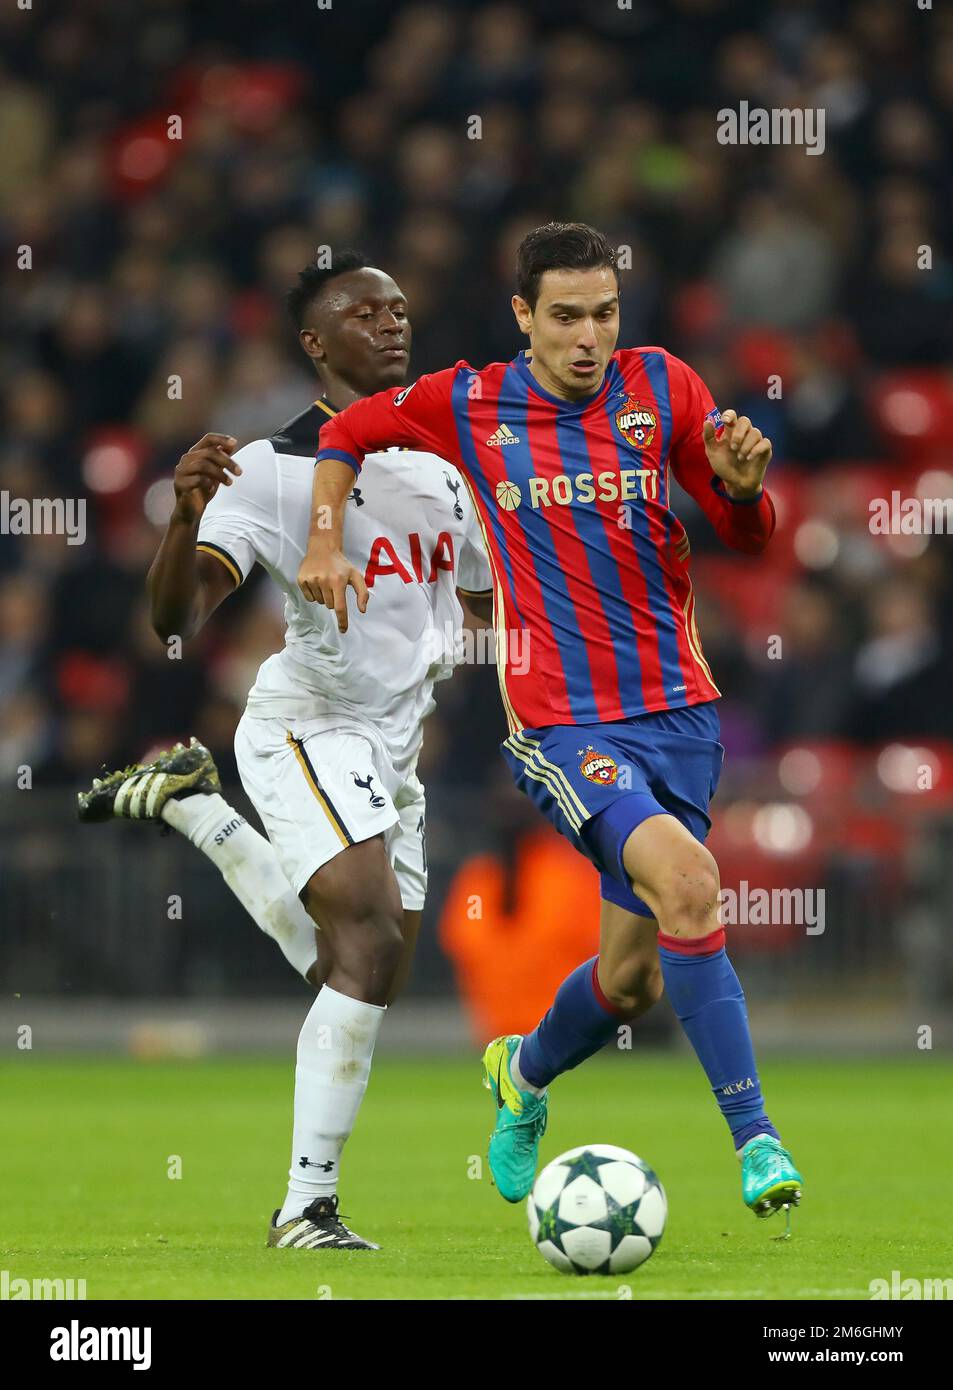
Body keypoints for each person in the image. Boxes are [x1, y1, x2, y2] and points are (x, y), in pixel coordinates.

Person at [297, 222, 804, 1223]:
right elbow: (342, 434)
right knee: (692, 885)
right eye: (564, 315)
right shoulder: (467, 401)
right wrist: (323, 539)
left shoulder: (663, 389)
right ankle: (756, 1141)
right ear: (523, 315)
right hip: (561, 720)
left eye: (603, 313)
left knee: (628, 981)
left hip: (680, 714)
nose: (587, 336)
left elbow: (743, 530)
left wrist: (747, 496)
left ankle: (519, 1076)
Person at [78, 252, 494, 1249]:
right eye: (362, 312)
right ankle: (305, 1206)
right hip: (309, 720)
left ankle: (195, 808)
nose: (391, 323)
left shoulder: (443, 466)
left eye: (398, 308)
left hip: (396, 744)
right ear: (314, 344)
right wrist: (182, 517)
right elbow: (175, 615)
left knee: (356, 968)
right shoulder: (269, 468)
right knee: (368, 946)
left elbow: (486, 604)